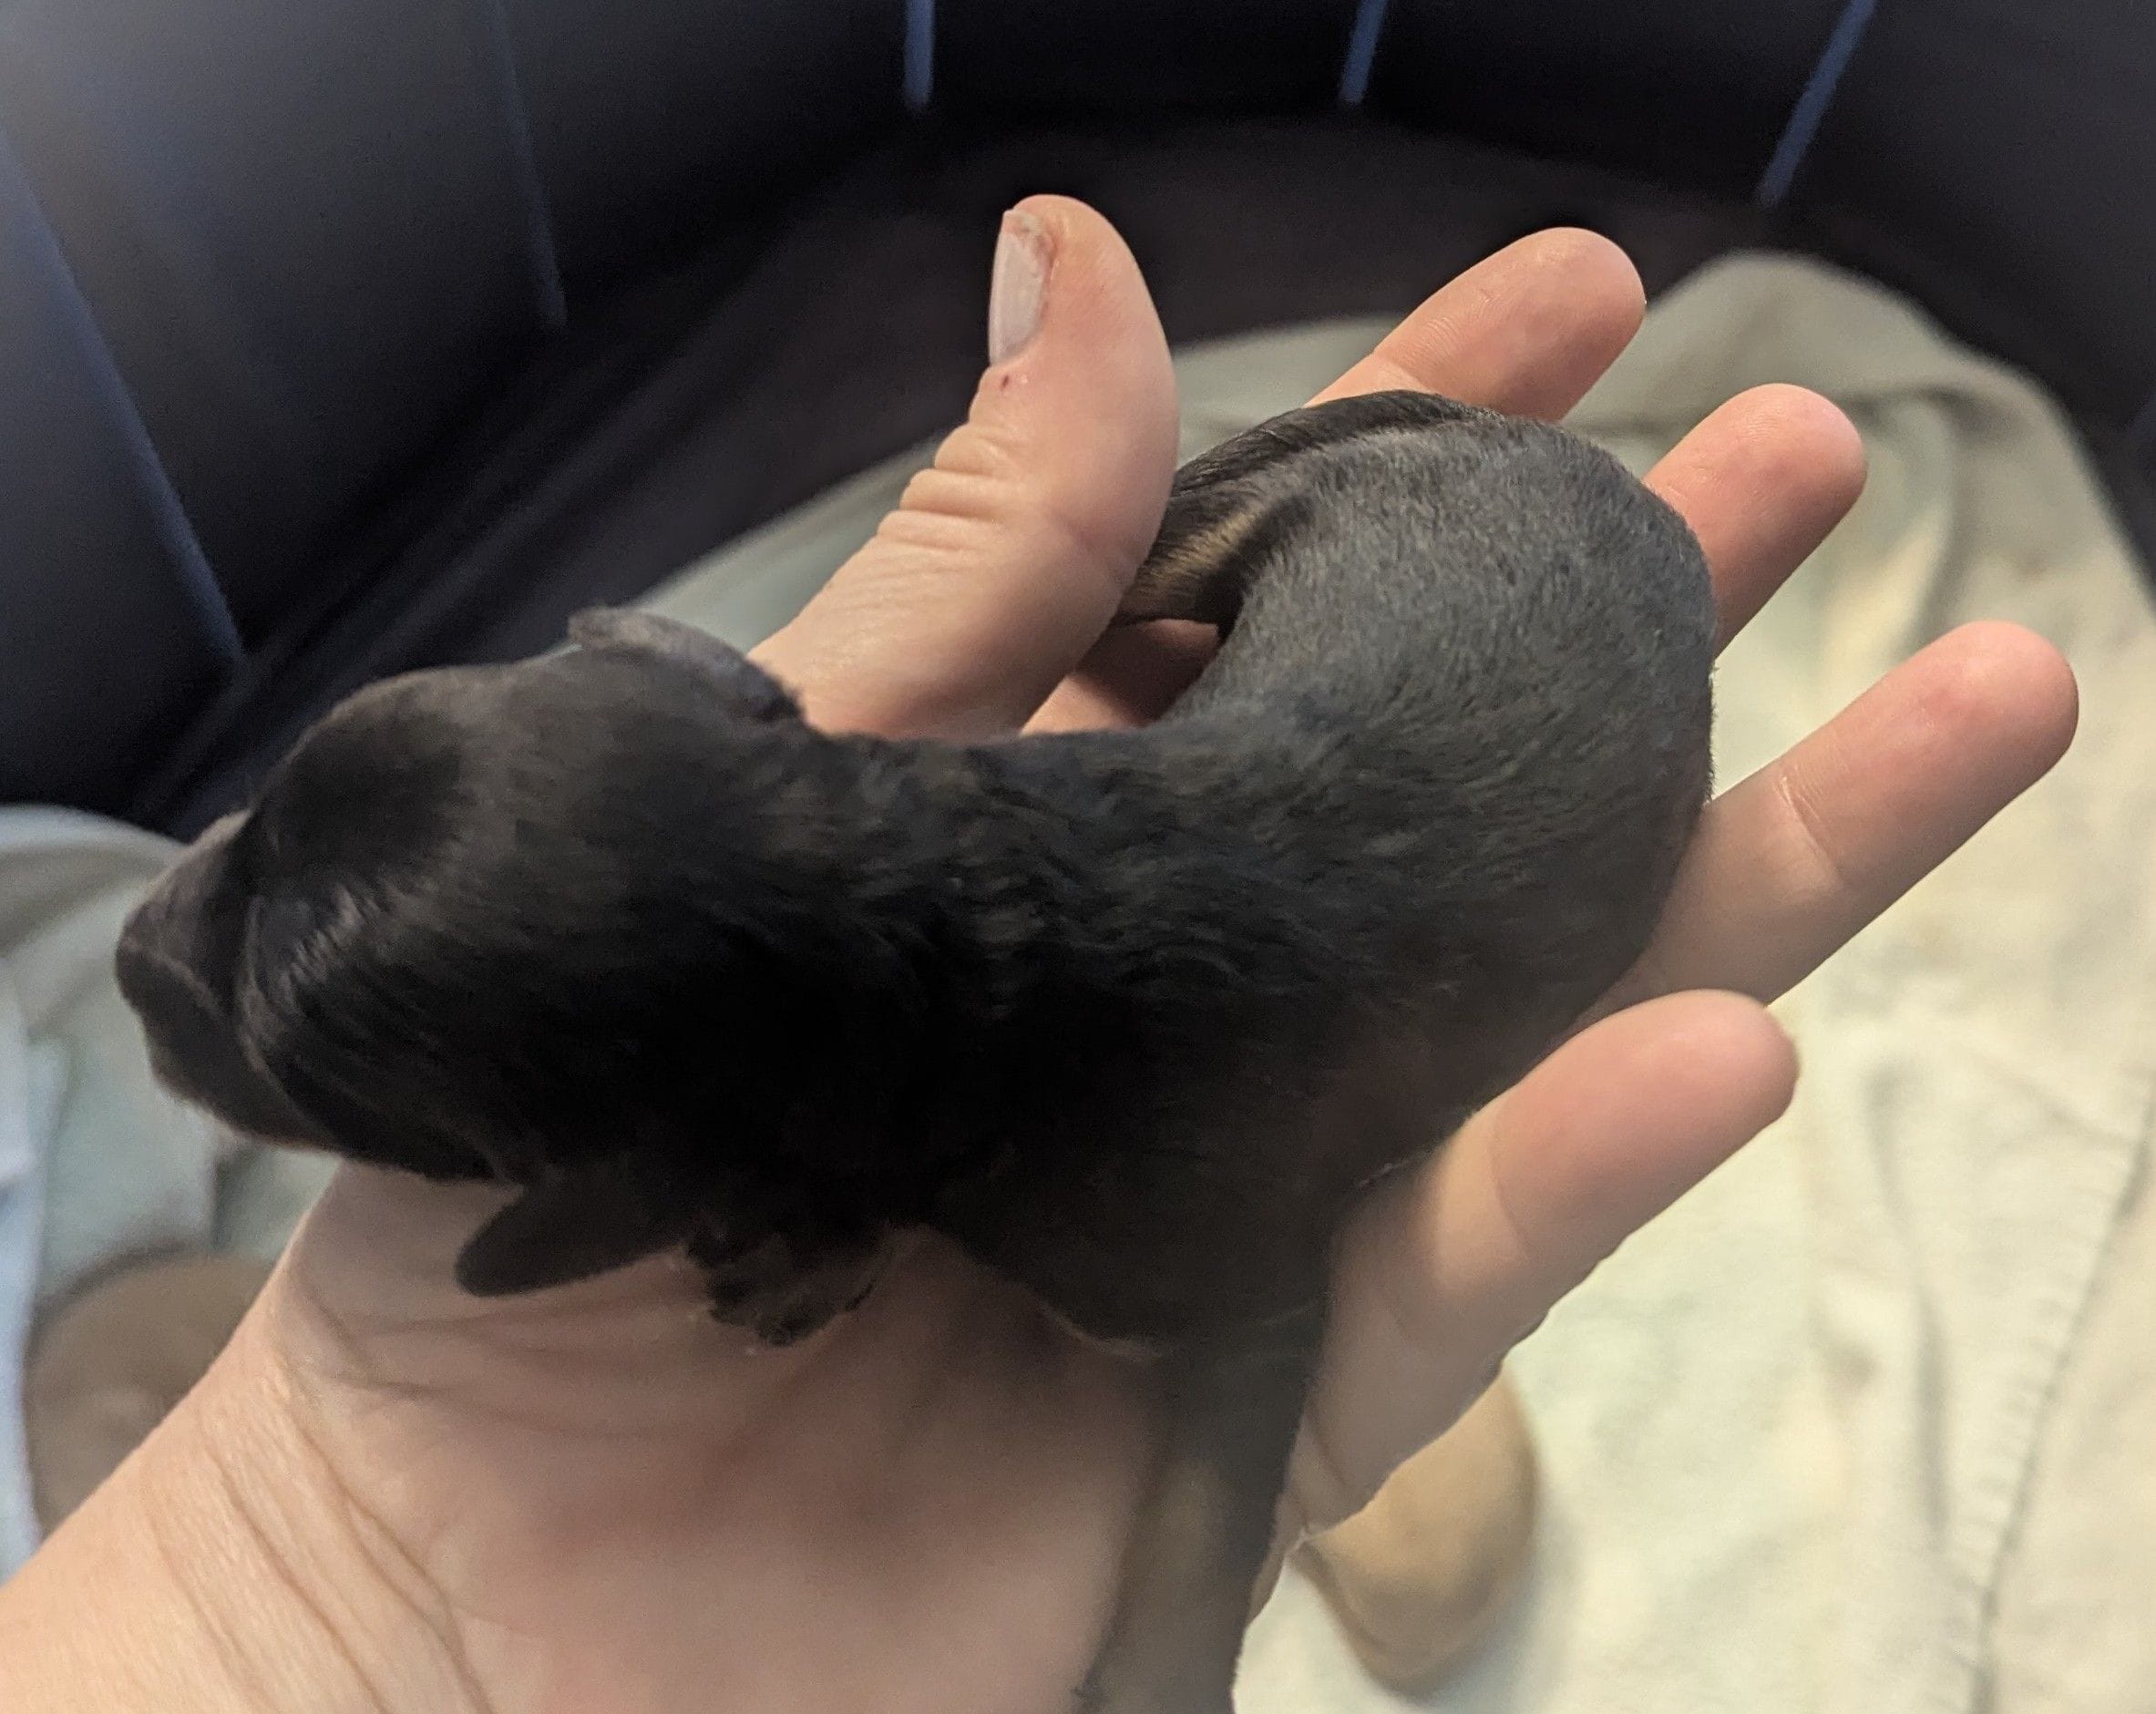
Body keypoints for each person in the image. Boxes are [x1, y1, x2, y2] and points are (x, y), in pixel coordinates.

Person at [0, 198, 2076, 1713]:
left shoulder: (1128, 1194)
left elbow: (1236, 1324)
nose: (171, 920)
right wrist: (287, 1598)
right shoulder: (785, 818)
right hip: (1463, 593)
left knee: (1252, 1233)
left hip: (1468, 577)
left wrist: (1156, 1664)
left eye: (316, 1060)